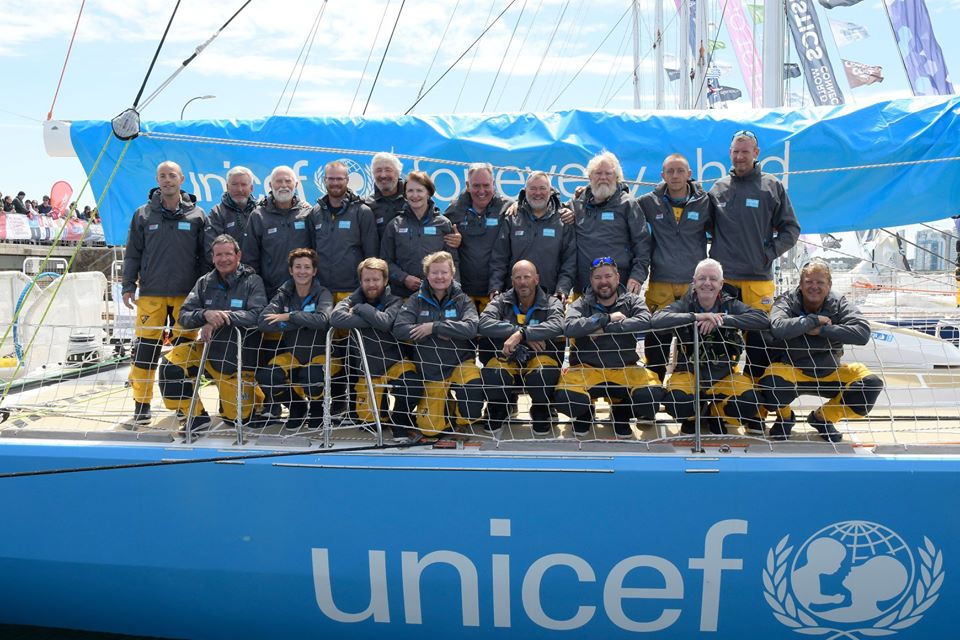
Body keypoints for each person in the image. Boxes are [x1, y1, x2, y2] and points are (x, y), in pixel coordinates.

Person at [709, 130, 801, 379]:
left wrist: (767, 254)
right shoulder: (718, 188)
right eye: (736, 152)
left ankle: (756, 397)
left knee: (759, 343)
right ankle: (724, 394)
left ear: (756, 153)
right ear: (730, 153)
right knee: (722, 342)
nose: (740, 157)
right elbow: (702, 228)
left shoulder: (771, 186)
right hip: (725, 281)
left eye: (745, 152)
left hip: (758, 279)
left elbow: (791, 229)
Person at [759, 259, 883, 442]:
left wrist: (824, 330)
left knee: (871, 384)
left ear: (829, 285)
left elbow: (862, 333)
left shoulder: (839, 302)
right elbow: (777, 327)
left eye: (820, 282)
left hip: (830, 371)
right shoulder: (786, 300)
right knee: (770, 383)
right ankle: (785, 418)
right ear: (801, 284)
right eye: (809, 281)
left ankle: (823, 418)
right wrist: (813, 320)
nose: (814, 287)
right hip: (793, 369)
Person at [122, 160, 207, 426]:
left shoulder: (197, 215)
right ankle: (141, 404)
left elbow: (205, 259)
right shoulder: (143, 214)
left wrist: (205, 293)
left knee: (183, 353)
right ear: (157, 180)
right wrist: (128, 285)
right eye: (163, 176)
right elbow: (133, 253)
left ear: (181, 179)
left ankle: (184, 403)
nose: (167, 180)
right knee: (145, 352)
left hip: (186, 296)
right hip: (151, 294)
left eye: (172, 175)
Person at [158, 235, 266, 433]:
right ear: (212, 257)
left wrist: (222, 317)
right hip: (207, 351)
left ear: (238, 255)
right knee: (169, 367)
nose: (223, 259)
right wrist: (205, 315)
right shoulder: (204, 282)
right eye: (218, 255)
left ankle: (256, 397)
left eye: (228, 254)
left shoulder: (253, 281)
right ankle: (195, 416)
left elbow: (258, 315)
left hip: (237, 361)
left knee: (236, 420)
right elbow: (183, 315)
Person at [651, 258, 769, 435]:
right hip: (688, 374)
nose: (707, 283)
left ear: (721, 284)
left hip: (724, 375)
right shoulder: (685, 304)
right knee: (676, 403)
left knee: (749, 402)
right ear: (694, 282)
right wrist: (695, 317)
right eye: (702, 278)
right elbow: (657, 319)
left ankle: (716, 413)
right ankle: (695, 415)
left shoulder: (730, 304)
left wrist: (722, 320)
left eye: (713, 279)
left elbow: (762, 319)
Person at [555, 257, 663, 438]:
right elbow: (569, 327)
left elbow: (645, 320)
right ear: (591, 280)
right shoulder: (581, 303)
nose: (603, 281)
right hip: (587, 369)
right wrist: (606, 319)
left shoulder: (632, 301)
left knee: (651, 396)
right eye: (598, 277)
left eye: (608, 276)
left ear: (617, 277)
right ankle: (585, 412)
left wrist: (603, 329)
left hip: (625, 367)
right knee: (566, 398)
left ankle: (621, 412)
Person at [636, 153, 714, 380]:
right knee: (656, 344)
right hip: (661, 284)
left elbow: (726, 230)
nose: (675, 175)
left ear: (689, 174)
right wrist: (581, 195)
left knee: (690, 344)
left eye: (680, 171)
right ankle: (653, 390)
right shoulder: (649, 202)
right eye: (670, 171)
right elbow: (623, 208)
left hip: (692, 286)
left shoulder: (706, 202)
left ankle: (683, 392)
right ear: (662, 175)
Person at [391, 251, 483, 438]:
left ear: (452, 274)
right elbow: (399, 329)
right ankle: (446, 409)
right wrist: (429, 332)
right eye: (434, 272)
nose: (439, 277)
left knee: (473, 394)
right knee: (429, 430)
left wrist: (435, 327)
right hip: (431, 371)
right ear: (427, 274)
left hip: (460, 364)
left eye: (444, 272)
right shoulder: (415, 300)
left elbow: (471, 328)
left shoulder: (462, 300)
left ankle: (461, 423)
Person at [479, 261, 565, 434]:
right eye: (518, 278)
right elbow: (484, 322)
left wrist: (523, 334)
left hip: (539, 357)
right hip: (506, 355)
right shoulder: (501, 301)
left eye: (527, 277)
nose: (522, 282)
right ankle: (499, 407)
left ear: (536, 279)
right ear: (512, 281)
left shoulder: (551, 302)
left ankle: (541, 408)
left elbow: (558, 324)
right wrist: (517, 332)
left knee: (543, 375)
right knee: (494, 374)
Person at [256, 248, 335, 431]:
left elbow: (322, 320)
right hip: (293, 355)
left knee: (312, 376)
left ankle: (317, 410)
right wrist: (297, 322)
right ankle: (297, 407)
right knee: (266, 377)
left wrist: (289, 316)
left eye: (307, 267)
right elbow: (263, 322)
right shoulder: (283, 294)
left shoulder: (323, 293)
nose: (302, 271)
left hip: (321, 355)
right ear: (291, 270)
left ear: (314, 271)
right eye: (298, 267)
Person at [329, 257, 410, 427]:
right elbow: (335, 318)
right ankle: (379, 412)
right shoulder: (351, 299)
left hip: (394, 365)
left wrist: (360, 309)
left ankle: (400, 419)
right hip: (367, 370)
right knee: (370, 425)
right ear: (360, 281)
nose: (371, 284)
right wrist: (374, 319)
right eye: (367, 280)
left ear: (385, 280)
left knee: (412, 385)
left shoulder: (395, 301)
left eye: (376, 279)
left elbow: (386, 322)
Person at [488, 171, 576, 301]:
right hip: (515, 298)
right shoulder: (512, 217)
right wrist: (495, 287)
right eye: (533, 188)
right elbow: (500, 257)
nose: (538, 193)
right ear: (525, 191)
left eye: (542, 188)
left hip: (551, 297)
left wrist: (562, 289)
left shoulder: (563, 220)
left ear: (550, 190)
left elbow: (569, 261)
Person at [569, 152, 649, 295]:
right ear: (590, 177)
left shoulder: (628, 204)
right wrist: (564, 211)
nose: (603, 177)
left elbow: (642, 245)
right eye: (598, 173)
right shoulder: (576, 204)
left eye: (608, 173)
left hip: (619, 289)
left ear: (617, 178)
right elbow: (548, 209)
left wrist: (637, 276)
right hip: (583, 289)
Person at [309, 160, 379, 301]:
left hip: (353, 290)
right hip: (322, 290)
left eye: (339, 179)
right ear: (324, 180)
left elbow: (371, 254)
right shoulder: (315, 213)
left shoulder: (362, 211)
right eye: (331, 179)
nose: (335, 183)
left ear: (347, 180)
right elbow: (311, 251)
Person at [443, 162, 510, 311]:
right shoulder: (453, 211)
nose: (481, 191)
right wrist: (452, 241)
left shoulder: (508, 208)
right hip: (463, 294)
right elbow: (438, 244)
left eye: (486, 185)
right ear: (467, 186)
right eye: (476, 186)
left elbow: (535, 201)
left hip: (496, 293)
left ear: (493, 184)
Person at [381, 171, 459, 297]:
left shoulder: (443, 224)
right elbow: (385, 261)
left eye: (419, 190)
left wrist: (454, 291)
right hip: (402, 296)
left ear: (428, 193)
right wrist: (404, 278)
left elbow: (453, 262)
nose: (415, 195)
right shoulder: (394, 225)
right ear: (405, 195)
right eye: (410, 191)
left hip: (435, 297)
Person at [241, 165, 313, 298]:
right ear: (270, 185)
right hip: (270, 293)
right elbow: (250, 259)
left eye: (288, 181)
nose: (284, 185)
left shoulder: (308, 213)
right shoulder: (258, 216)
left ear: (296, 185)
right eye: (279, 181)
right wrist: (256, 291)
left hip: (304, 291)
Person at [205, 166, 258, 265]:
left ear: (251, 188)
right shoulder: (217, 213)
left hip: (258, 273)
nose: (239, 189)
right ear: (227, 187)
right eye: (234, 184)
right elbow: (211, 250)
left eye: (244, 184)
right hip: (228, 272)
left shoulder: (260, 212)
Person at [365, 152, 407, 238]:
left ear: (398, 173)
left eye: (388, 170)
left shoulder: (412, 200)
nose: (383, 175)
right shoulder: (368, 205)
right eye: (378, 170)